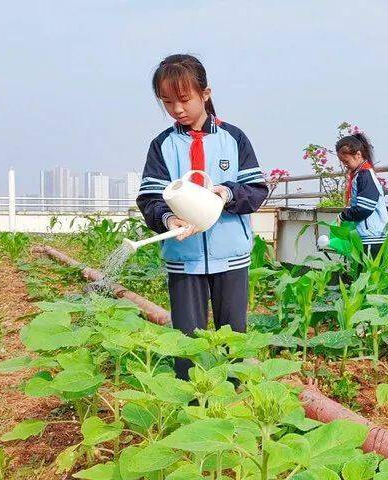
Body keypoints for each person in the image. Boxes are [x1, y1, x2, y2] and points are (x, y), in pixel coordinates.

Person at [136, 54, 268, 379]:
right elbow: (150, 198)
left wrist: (227, 192)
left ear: (205, 94)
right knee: (187, 342)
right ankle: (191, 406)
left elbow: (256, 189)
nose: (177, 109)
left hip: (231, 257)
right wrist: (168, 220)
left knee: (232, 339)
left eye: (184, 99)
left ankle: (232, 402)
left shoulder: (233, 139)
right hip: (184, 259)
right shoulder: (162, 146)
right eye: (167, 102)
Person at [335, 132, 388, 257]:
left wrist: (344, 215)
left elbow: (365, 208)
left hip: (372, 237)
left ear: (358, 154)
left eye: (346, 161)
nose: (345, 165)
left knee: (367, 275)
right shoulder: (360, 174)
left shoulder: (364, 176)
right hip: (369, 236)